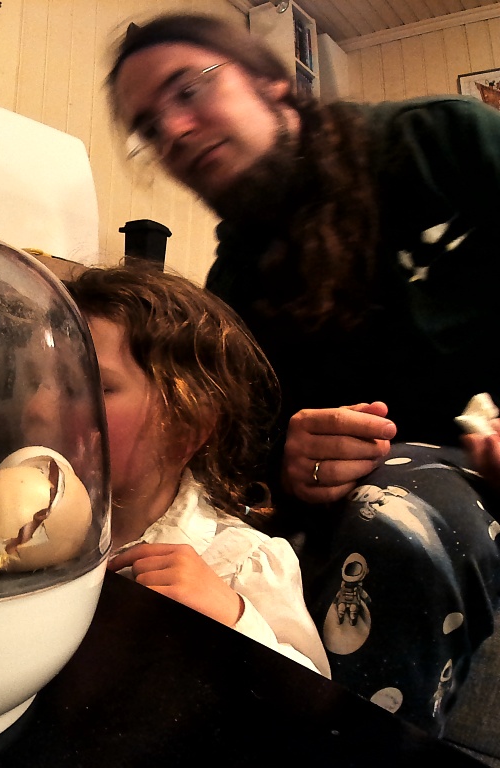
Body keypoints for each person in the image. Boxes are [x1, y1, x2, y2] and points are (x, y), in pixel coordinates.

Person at [105, 12, 500, 734]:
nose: (175, 132)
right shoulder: (236, 287)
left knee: (396, 523)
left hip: (456, 474)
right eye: (151, 128)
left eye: (189, 90)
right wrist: (290, 463)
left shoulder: (442, 143)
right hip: (360, 492)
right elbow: (246, 453)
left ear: (274, 82)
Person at [64, 265, 329, 676]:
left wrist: (234, 620)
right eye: (52, 382)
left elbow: (313, 692)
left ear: (186, 428)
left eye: (98, 387)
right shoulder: (41, 525)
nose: (41, 407)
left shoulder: (242, 563)